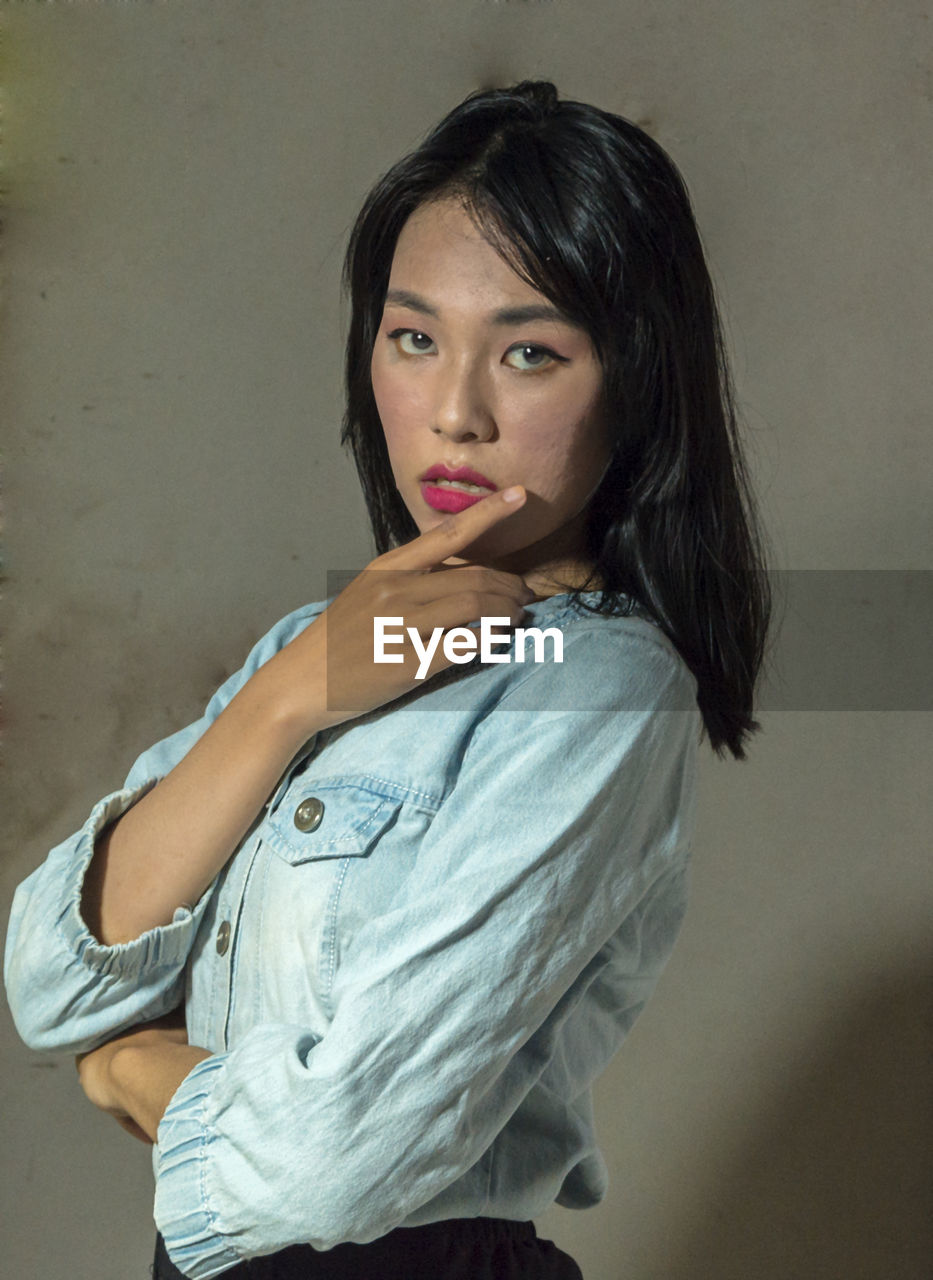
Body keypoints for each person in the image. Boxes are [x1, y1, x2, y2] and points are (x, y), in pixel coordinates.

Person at [4, 80, 772, 1279]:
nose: (454, 414)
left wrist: (138, 1065)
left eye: (528, 351)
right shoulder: (325, 643)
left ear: (635, 376)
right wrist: (287, 696)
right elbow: (51, 978)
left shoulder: (602, 687)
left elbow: (328, 1168)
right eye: (415, 337)